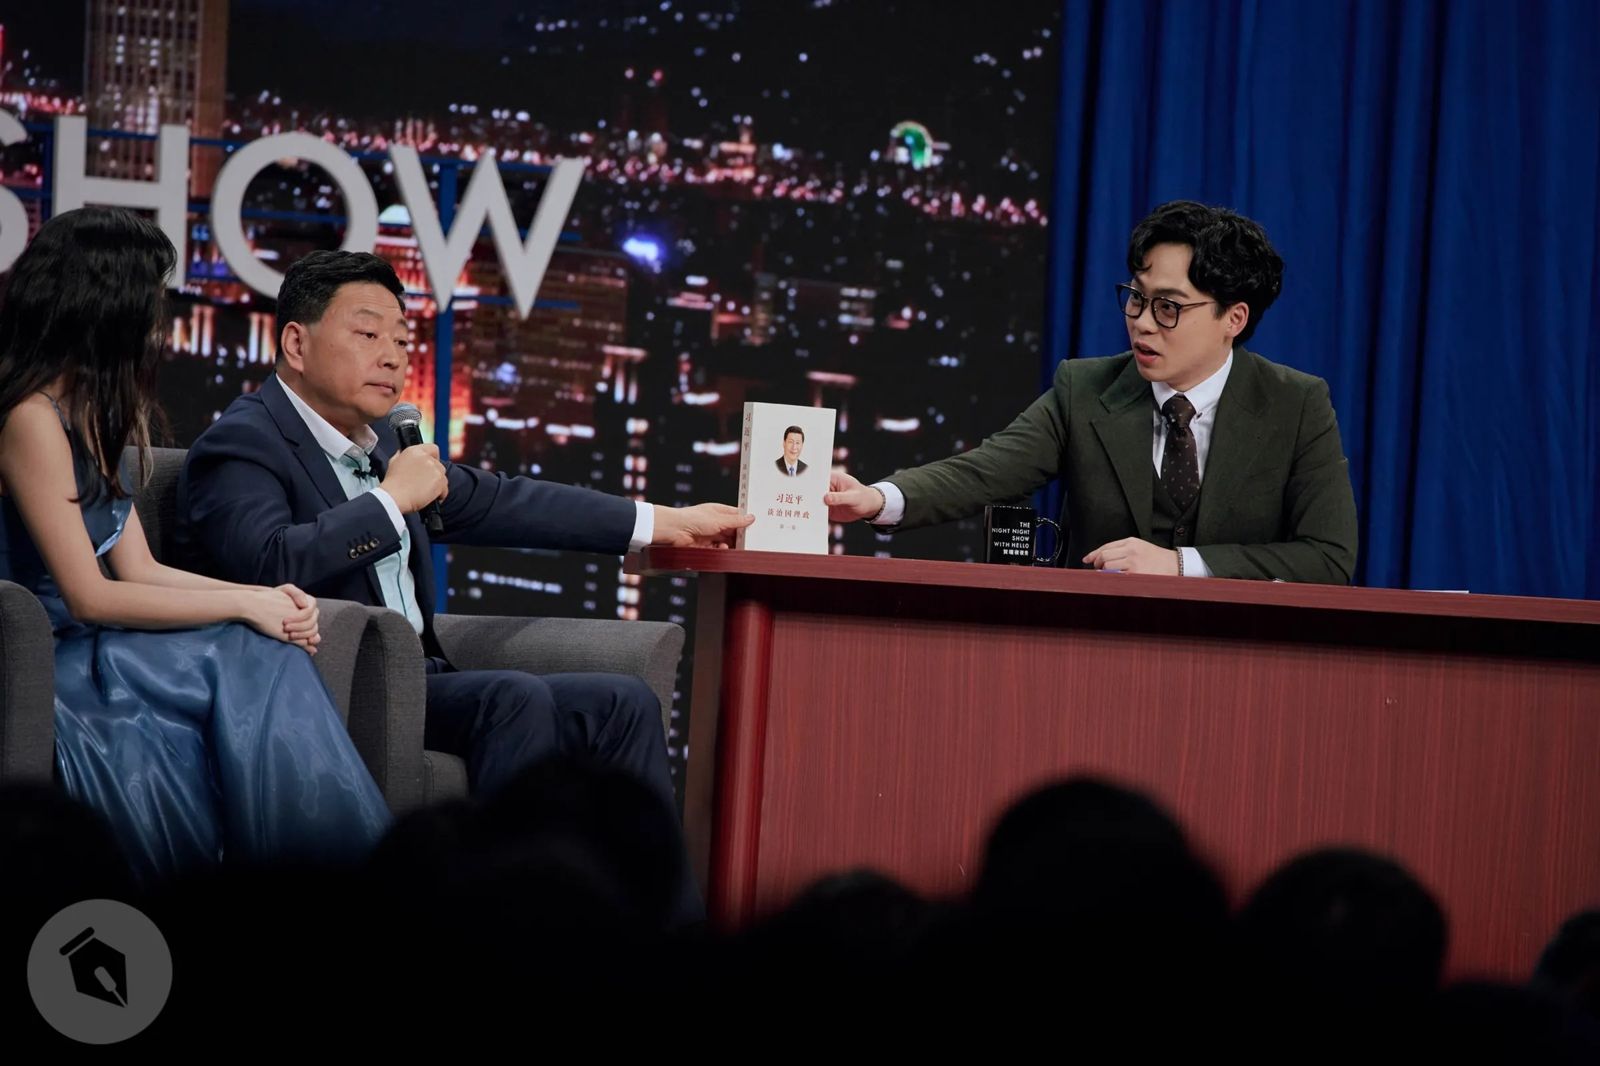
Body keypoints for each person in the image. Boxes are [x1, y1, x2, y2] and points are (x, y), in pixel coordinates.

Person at [179, 250, 750, 814]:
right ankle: (502, 877)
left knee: (623, 702)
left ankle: (645, 880)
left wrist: (665, 524)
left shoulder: (383, 448)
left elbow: (509, 502)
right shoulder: (244, 441)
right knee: (513, 698)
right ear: (296, 344)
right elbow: (268, 565)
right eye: (368, 335)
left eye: (403, 341)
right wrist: (390, 502)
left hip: (421, 681)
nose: (392, 358)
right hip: (323, 686)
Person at [0, 208, 390, 882]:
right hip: (49, 657)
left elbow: (140, 567)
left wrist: (262, 597)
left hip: (100, 644)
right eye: (151, 302)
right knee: (250, 648)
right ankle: (342, 880)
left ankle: (321, 875)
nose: (159, 324)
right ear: (106, 304)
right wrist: (243, 608)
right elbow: (89, 596)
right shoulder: (29, 418)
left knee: (263, 643)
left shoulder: (91, 414)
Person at [825, 200, 1359, 584]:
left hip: (1236, 667)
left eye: (1168, 307)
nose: (1142, 322)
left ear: (1233, 319)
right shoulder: (1084, 389)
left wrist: (1181, 564)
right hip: (1094, 660)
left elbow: (1328, 557)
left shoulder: (1296, 405)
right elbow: (984, 472)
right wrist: (878, 499)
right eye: (1136, 298)